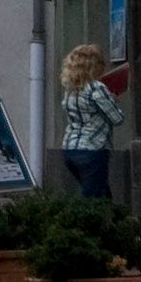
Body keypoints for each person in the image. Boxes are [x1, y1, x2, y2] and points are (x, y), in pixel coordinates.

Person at [58, 41, 124, 201]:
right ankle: (85, 224)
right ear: (94, 65)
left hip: (70, 149)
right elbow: (117, 118)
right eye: (101, 62)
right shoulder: (96, 88)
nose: (104, 66)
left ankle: (110, 221)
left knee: (100, 193)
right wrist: (113, 100)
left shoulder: (70, 89)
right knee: (94, 199)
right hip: (93, 150)